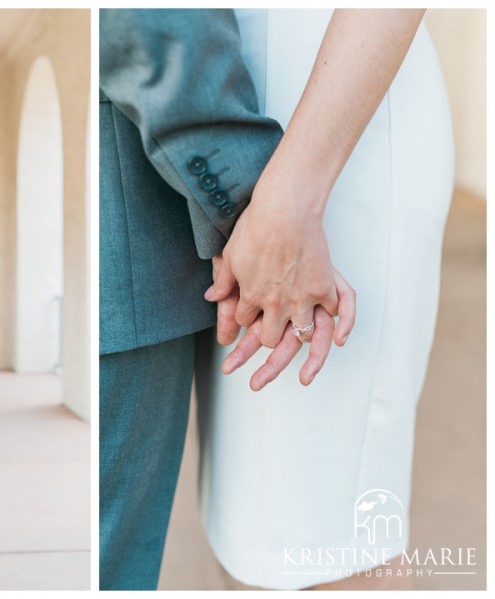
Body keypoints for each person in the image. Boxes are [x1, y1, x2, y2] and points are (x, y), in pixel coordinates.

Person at [98, 9, 355, 590]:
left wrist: (265, 223)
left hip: (303, 164)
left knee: (325, 542)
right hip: (234, 183)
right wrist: (255, 222)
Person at [197, 9, 453, 590]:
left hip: (332, 127)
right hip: (228, 110)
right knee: (250, 533)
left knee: (325, 545)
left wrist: (290, 202)